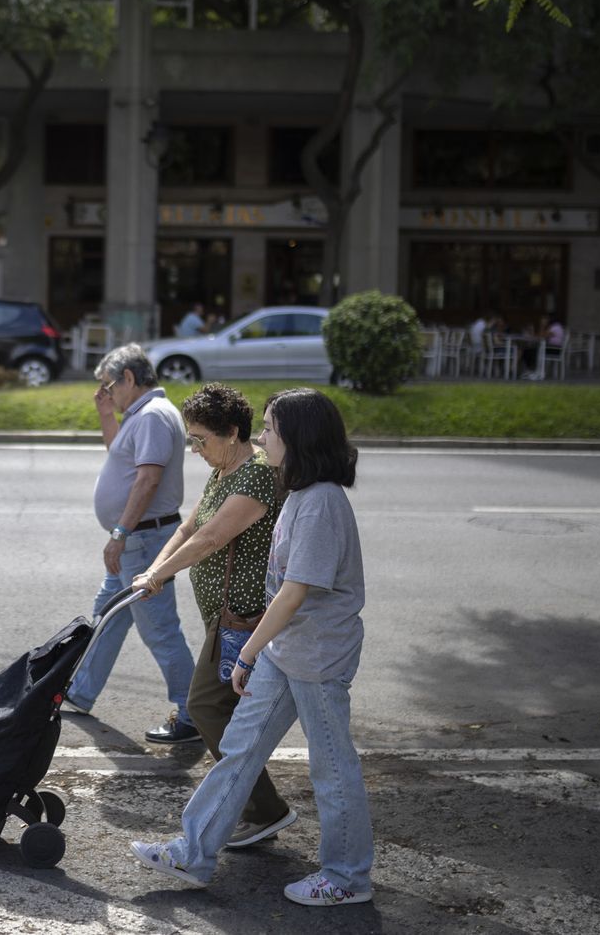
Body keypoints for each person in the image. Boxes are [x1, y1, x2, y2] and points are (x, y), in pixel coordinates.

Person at [131, 387, 373, 908]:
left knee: (332, 768)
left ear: (298, 439)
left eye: (270, 430)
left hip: (317, 657)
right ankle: (193, 853)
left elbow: (293, 593)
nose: (262, 439)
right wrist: (262, 651)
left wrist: (247, 652)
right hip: (287, 650)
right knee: (239, 749)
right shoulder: (301, 493)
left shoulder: (321, 503)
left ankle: (347, 877)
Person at [127, 383, 298, 846]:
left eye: (201, 440)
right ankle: (254, 806)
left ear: (233, 432)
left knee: (205, 705)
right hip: (224, 617)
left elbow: (212, 538)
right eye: (193, 440)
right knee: (228, 713)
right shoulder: (224, 469)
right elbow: (190, 527)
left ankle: (264, 809)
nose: (195, 449)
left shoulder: (256, 474)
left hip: (244, 619)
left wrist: (158, 575)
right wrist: (153, 570)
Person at [63, 343, 199, 745]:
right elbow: (120, 458)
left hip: (142, 539)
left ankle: (192, 715)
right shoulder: (142, 414)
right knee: (107, 616)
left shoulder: (153, 415)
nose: (107, 393)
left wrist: (119, 533)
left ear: (128, 378)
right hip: (137, 539)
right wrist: (107, 415)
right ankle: (80, 691)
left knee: (160, 629)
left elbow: (148, 479)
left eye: (110, 386)